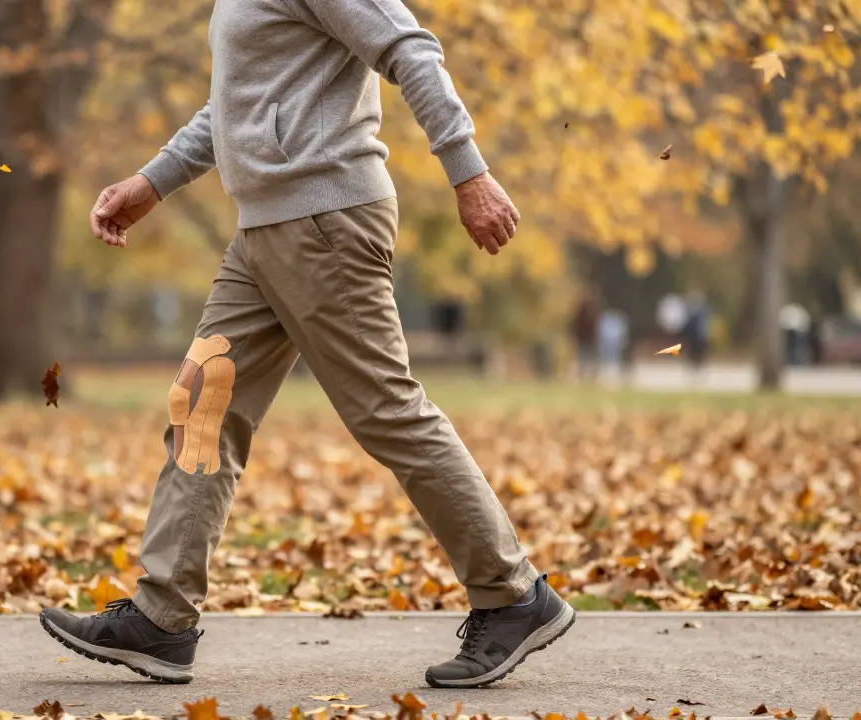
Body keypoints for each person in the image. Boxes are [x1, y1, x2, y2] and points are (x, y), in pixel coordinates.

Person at [40, 0, 575, 689]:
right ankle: (162, 617)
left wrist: (468, 173)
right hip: (263, 232)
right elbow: (238, 108)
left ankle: (511, 594)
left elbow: (410, 48)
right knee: (203, 407)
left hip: (323, 221)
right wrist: (153, 181)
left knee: (387, 411)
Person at [570, 289, 601, 381]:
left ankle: (591, 375)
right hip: (584, 339)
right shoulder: (584, 312)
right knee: (584, 357)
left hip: (588, 339)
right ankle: (584, 375)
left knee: (589, 357)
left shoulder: (591, 312)